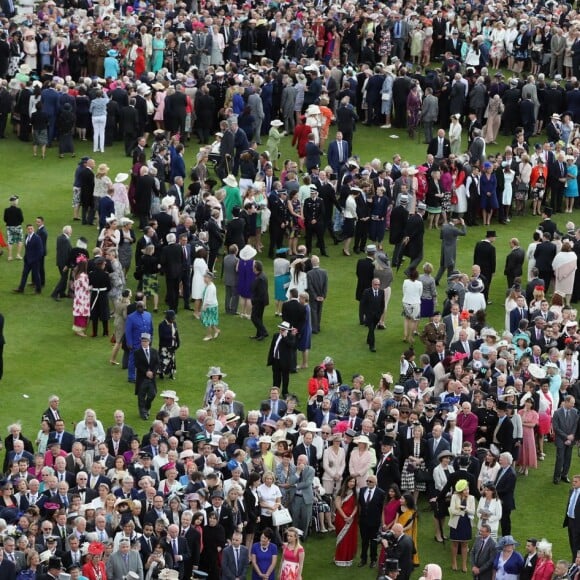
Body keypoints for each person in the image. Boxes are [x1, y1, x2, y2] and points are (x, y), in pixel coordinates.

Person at [358, 474, 385, 569]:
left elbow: (382, 508)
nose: (368, 483)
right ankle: (363, 559)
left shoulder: (381, 493)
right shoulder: (362, 491)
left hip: (374, 522)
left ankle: (373, 560)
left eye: (371, 481)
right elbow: (360, 505)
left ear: (375, 483)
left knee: (374, 542)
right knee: (364, 541)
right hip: (363, 521)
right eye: (367, 481)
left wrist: (382, 522)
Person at [449, 479, 475, 572]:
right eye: (464, 490)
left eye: (467, 489)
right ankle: (454, 562)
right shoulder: (454, 497)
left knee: (465, 544)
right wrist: (460, 511)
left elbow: (473, 511)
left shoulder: (471, 498)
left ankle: (464, 564)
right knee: (455, 543)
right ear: (460, 490)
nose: (467, 491)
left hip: (466, 522)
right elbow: (452, 510)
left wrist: (465, 508)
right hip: (456, 523)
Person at [552, 395, 579, 485]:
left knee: (568, 458)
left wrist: (571, 436)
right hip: (560, 439)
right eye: (571, 403)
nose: (573, 405)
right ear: (566, 402)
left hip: (571, 440)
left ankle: (564, 475)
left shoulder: (575, 412)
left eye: (573, 403)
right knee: (560, 459)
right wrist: (566, 437)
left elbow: (576, 425)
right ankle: (556, 477)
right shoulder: (557, 413)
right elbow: (556, 428)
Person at [267, 321, 298, 397]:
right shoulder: (276, 335)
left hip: (285, 361)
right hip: (276, 360)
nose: (281, 331)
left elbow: (292, 345)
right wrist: (271, 358)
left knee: (285, 377)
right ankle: (275, 392)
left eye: (283, 329)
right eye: (280, 329)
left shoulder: (290, 337)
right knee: (276, 377)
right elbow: (272, 348)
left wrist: (285, 337)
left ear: (287, 330)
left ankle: (285, 392)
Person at [335, 476, 359, 567]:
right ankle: (339, 559)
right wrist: (345, 517)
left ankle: (348, 559)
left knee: (349, 539)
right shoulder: (341, 492)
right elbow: (338, 506)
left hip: (352, 519)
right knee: (341, 539)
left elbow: (356, 506)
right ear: (347, 482)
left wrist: (351, 516)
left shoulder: (355, 493)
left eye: (354, 482)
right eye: (350, 481)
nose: (352, 483)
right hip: (341, 518)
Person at [134, 333, 159, 420]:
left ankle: (146, 407)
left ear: (149, 341)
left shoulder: (154, 351)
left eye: (146, 341)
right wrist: (146, 372)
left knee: (152, 394)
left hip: (151, 378)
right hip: (142, 378)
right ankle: (143, 413)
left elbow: (157, 363)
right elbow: (137, 364)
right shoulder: (137, 352)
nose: (144, 343)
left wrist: (153, 372)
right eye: (143, 341)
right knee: (141, 396)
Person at [13, 224, 43, 294]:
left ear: (33, 229)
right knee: (24, 274)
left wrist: (36, 259)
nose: (30, 230)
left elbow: (41, 251)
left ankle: (38, 290)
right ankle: (21, 288)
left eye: (31, 229)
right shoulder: (26, 236)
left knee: (36, 275)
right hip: (27, 260)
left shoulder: (37, 238)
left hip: (34, 261)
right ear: (26, 230)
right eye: (28, 229)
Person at [360, 278, 385, 352]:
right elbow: (362, 304)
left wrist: (380, 314)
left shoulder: (381, 292)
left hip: (377, 316)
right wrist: (364, 315)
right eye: (375, 284)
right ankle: (372, 346)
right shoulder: (367, 292)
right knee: (371, 329)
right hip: (369, 315)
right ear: (372, 284)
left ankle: (368, 339)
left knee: (372, 329)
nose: (377, 286)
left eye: (378, 284)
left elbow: (382, 305)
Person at [250, 261, 269, 341]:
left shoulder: (260, 278)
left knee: (254, 317)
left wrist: (254, 300)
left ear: (256, 268)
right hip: (261, 300)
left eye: (253, 266)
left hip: (259, 301)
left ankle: (264, 332)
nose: (252, 268)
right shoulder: (261, 275)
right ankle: (259, 335)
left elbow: (261, 292)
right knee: (259, 317)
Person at [158, 309, 180, 380]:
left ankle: (171, 374)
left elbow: (176, 333)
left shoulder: (174, 324)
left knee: (172, 360)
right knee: (163, 361)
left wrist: (178, 342)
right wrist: (171, 337)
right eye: (172, 318)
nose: (173, 319)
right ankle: (161, 373)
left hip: (172, 346)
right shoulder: (162, 325)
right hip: (165, 346)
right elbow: (161, 336)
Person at [200, 271, 220, 341]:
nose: (204, 279)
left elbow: (209, 299)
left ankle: (209, 335)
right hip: (210, 306)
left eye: (206, 277)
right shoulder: (208, 285)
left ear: (210, 278)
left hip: (210, 307)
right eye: (204, 277)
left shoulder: (211, 287)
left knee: (207, 321)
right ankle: (216, 330)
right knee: (210, 320)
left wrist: (204, 307)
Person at [564, 475, 580, 559]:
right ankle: (574, 561)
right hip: (570, 521)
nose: (573, 483)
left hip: (577, 523)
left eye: (576, 482)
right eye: (573, 481)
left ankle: (575, 563)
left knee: (576, 545)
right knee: (571, 542)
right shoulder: (572, 491)